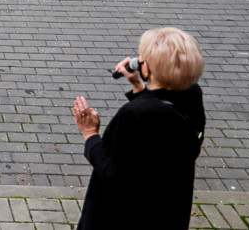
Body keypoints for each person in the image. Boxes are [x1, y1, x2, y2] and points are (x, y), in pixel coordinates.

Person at [72, 27, 205, 230]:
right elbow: (162, 122)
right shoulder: (192, 97)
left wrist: (90, 135)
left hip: (126, 218)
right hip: (168, 213)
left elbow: (115, 176)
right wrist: (139, 88)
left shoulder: (135, 114)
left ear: (146, 69)